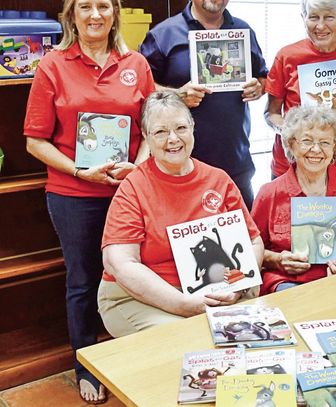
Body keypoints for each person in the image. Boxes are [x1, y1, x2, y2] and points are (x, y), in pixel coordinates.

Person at [23, 0, 155, 403]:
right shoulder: (52, 65)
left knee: (135, 276)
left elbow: (151, 129)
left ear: (114, 12)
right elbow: (34, 140)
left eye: (103, 6)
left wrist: (138, 167)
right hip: (74, 194)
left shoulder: (137, 64)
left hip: (129, 194)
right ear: (72, 15)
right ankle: (87, 365)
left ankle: (134, 360)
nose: (95, 14)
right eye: (85, 6)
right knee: (82, 282)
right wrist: (80, 172)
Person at [98, 90, 264, 337]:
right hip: (142, 299)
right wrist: (183, 304)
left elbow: (253, 241)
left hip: (221, 292)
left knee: (257, 335)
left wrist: (239, 286)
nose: (173, 139)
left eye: (180, 128)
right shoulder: (133, 187)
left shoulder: (218, 179)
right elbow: (120, 263)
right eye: (160, 132)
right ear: (146, 136)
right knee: (195, 340)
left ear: (192, 128)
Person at [140, 0, 267, 210]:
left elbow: (263, 76)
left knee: (241, 239)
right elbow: (141, 86)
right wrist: (176, 95)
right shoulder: (163, 34)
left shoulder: (243, 30)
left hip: (236, 165)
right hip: (179, 167)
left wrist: (258, 88)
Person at [252, 105, 336, 294]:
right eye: (307, 141)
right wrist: (277, 260)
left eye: (325, 142)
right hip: (288, 284)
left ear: (335, 147)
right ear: (291, 144)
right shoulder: (269, 193)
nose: (316, 150)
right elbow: (253, 250)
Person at [265, 0, 336, 179]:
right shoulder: (287, 56)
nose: (320, 26)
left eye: (329, 17)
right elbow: (271, 113)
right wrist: (291, 133)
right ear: (303, 18)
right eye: (314, 17)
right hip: (291, 168)